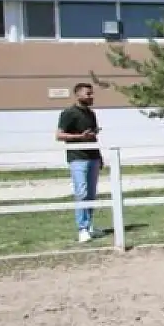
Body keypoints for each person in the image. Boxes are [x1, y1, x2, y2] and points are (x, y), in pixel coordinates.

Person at [56, 82, 103, 243]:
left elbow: (93, 136)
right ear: (78, 95)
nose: (91, 96)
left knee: (91, 194)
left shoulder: (91, 114)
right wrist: (79, 137)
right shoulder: (68, 113)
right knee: (81, 193)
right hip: (78, 158)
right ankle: (82, 228)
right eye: (88, 94)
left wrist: (100, 156)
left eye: (92, 93)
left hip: (93, 157)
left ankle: (89, 225)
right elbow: (59, 136)